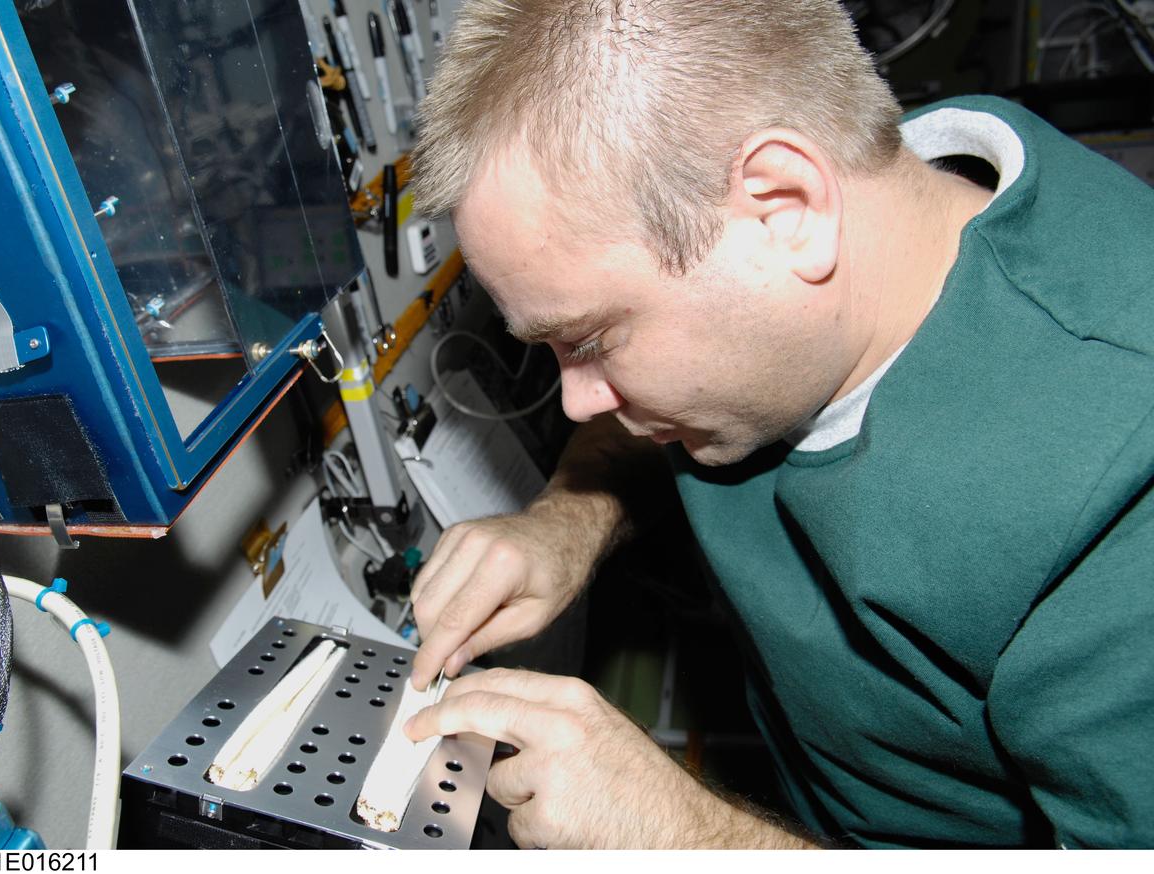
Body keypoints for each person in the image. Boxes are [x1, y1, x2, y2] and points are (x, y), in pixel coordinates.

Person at [400, 0, 1154, 849]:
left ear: (786, 207)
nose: (576, 403)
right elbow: (639, 420)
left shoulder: (1126, 499)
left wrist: (684, 839)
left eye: (592, 340)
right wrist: (566, 518)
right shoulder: (851, 191)